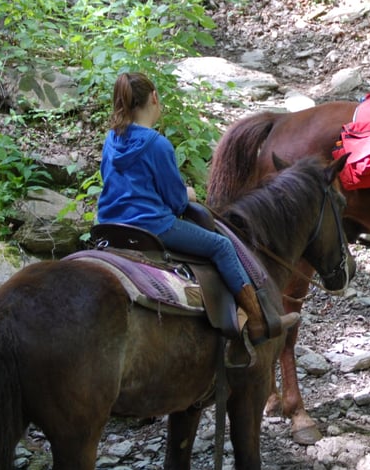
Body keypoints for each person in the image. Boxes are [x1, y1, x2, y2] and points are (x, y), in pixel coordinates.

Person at [96, 71, 295, 345]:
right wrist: (188, 193)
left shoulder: (111, 140)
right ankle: (258, 320)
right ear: (154, 98)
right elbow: (176, 202)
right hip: (151, 226)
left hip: (110, 225)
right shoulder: (157, 145)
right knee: (221, 247)